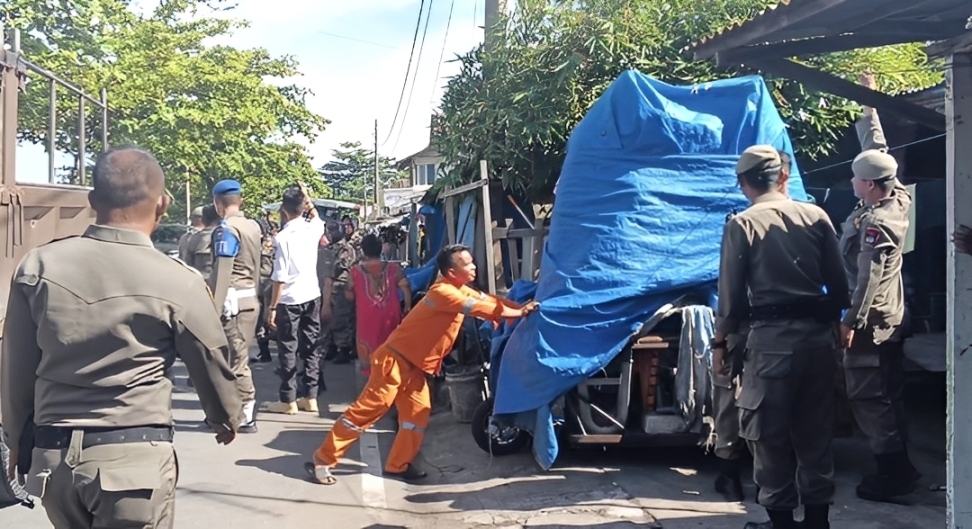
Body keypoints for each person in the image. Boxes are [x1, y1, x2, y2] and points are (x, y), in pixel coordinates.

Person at [1, 147, 240, 529]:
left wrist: (15, 442)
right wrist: (225, 417)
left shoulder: (38, 266)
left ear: (93, 201)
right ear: (162, 206)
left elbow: (16, 369)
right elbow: (209, 358)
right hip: (133, 467)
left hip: (53, 465)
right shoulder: (179, 280)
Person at [307, 245, 539, 485]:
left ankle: (398, 465)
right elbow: (477, 307)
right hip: (394, 362)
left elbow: (489, 300)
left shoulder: (461, 290)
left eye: (472, 262)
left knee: (416, 415)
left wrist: (517, 309)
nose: (473, 266)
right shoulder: (443, 292)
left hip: (415, 367)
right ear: (450, 272)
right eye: (467, 263)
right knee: (367, 412)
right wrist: (519, 312)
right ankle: (323, 460)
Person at [713, 145, 849, 529]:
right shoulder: (816, 215)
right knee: (816, 433)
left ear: (744, 184)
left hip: (771, 346)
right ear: (783, 176)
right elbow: (840, 289)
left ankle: (782, 522)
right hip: (818, 344)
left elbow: (731, 297)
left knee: (768, 437)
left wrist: (720, 343)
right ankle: (818, 521)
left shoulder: (743, 223)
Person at [837, 73, 917, 503]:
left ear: (868, 185)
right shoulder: (897, 196)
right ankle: (902, 464)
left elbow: (868, 280)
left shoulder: (877, 224)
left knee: (869, 395)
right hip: (892, 317)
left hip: (871, 322)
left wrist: (851, 322)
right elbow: (878, 152)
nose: (852, 182)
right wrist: (868, 105)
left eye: (856, 179)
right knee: (889, 391)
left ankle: (893, 473)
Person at [262, 183, 327, 415]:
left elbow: (279, 277)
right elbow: (316, 215)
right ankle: (310, 396)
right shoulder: (313, 228)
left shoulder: (282, 238)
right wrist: (307, 196)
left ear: (283, 210)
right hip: (312, 295)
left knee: (288, 349)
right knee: (311, 347)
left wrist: (272, 308)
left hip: (289, 299)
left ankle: (288, 399)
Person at [209, 179, 263, 433]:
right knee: (238, 357)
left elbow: (222, 272)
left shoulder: (226, 229)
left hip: (233, 302)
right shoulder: (252, 227)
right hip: (250, 298)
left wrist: (214, 306)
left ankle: (245, 413)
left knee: (236, 361)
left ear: (217, 203)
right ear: (240, 200)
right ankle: (237, 411)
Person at [347, 233, 412, 377]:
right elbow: (405, 286)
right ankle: (392, 379)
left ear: (363, 250)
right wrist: (407, 307)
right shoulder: (393, 268)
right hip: (391, 316)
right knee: (391, 348)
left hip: (366, 319)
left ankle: (374, 382)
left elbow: (349, 295)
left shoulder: (355, 271)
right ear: (380, 248)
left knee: (369, 346)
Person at [319, 219, 358, 365]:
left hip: (342, 286)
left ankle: (344, 348)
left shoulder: (346, 249)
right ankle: (332, 347)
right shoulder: (329, 248)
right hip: (329, 286)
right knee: (329, 320)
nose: (330, 234)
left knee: (342, 319)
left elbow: (340, 266)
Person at [253, 215, 278, 364]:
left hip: (270, 285)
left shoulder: (271, 243)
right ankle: (264, 352)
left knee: (270, 319)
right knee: (259, 320)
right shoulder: (254, 243)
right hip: (258, 286)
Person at [185, 204, 220, 279]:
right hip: (217, 282)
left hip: (196, 280)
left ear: (203, 220)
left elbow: (187, 263)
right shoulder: (222, 236)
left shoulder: (192, 238)